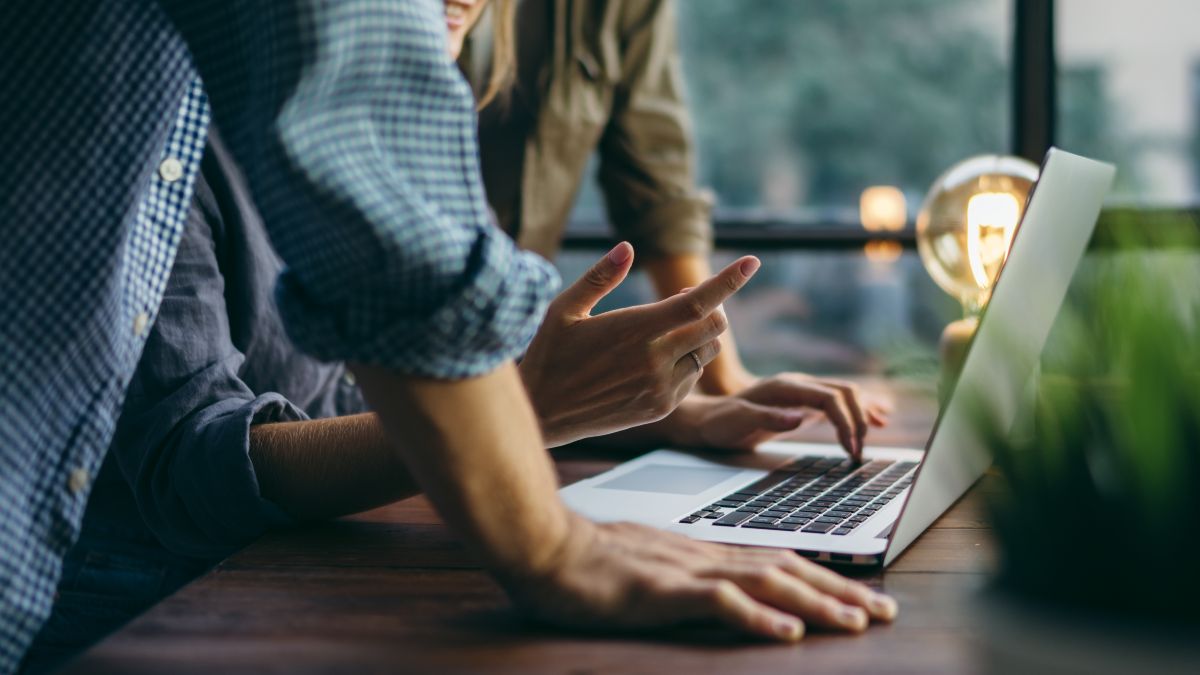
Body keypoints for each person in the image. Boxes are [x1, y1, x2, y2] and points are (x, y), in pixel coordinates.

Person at [1, 1, 894, 672]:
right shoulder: (199, 135)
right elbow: (188, 465)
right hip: (116, 615)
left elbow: (354, 405)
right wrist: (546, 532)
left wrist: (659, 412)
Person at [459, 0, 889, 444]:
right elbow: (449, 418)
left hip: (490, 389)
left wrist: (707, 402)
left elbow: (657, 179)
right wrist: (529, 413)